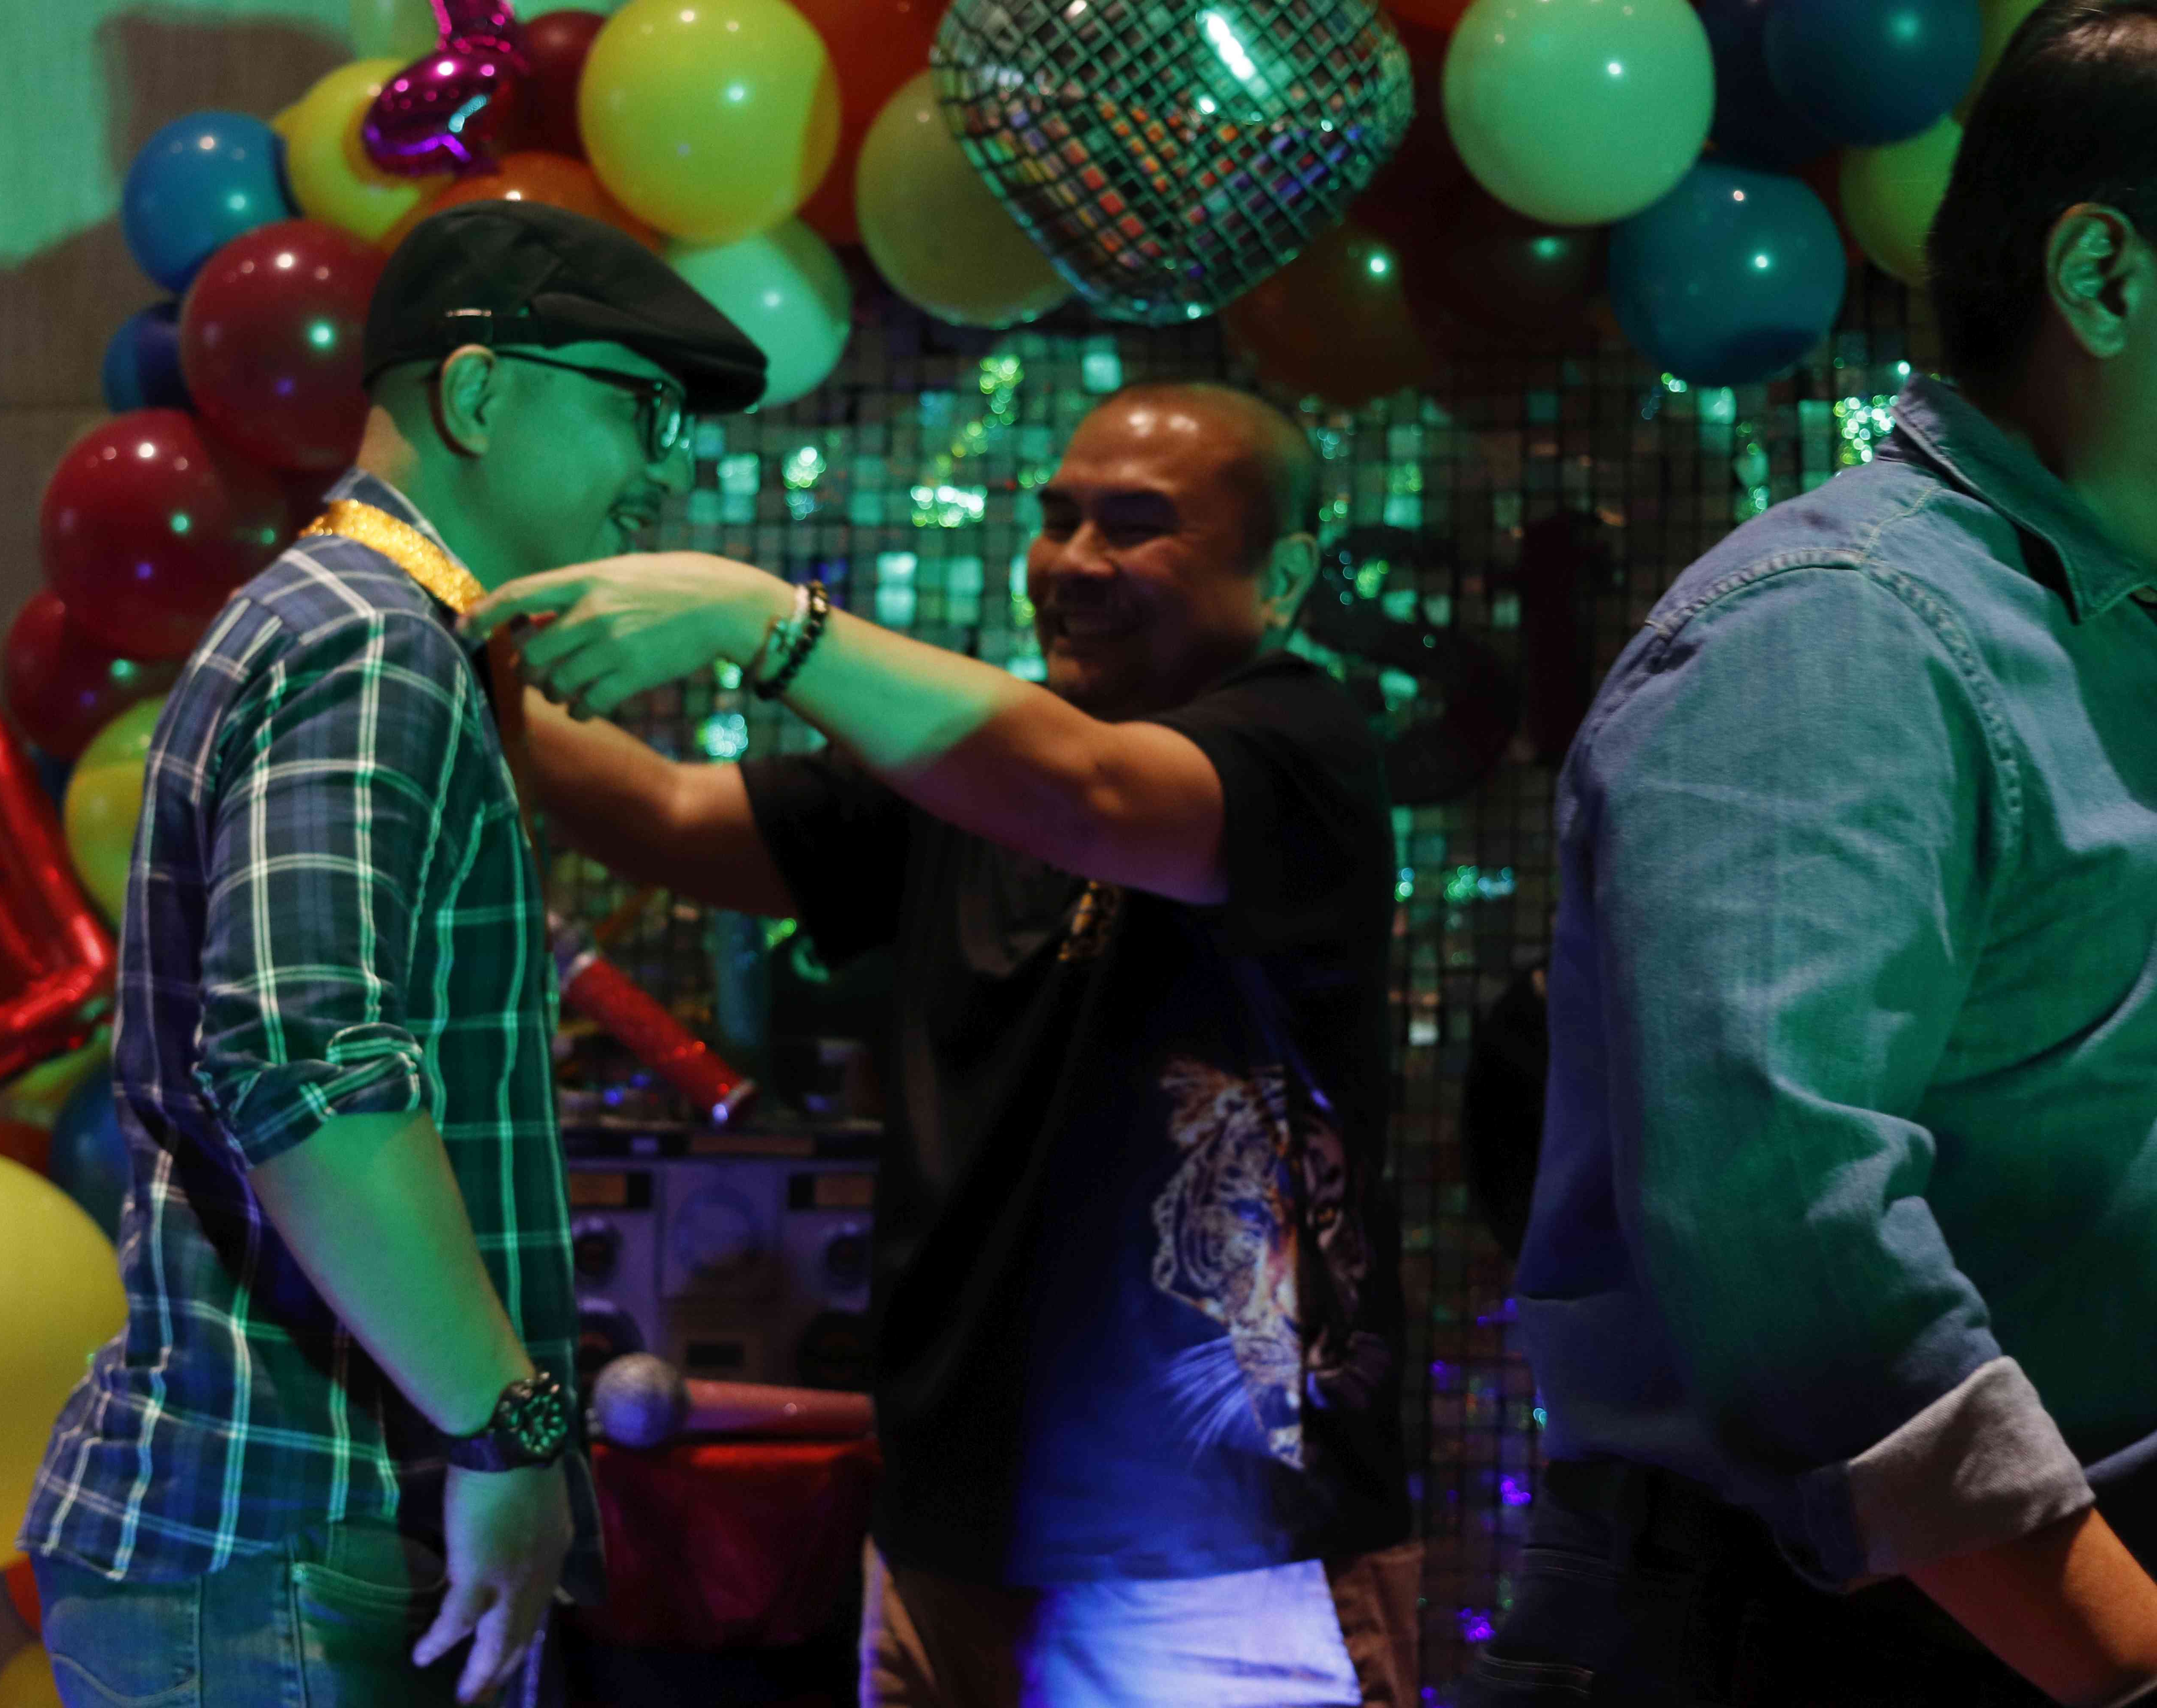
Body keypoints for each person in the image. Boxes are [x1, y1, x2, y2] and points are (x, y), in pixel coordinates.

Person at [463, 380, 1421, 1706]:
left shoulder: (1300, 743)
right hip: (944, 1528)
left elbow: (1091, 795)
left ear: (1289, 574)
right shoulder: (966, 770)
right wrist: (467, 640)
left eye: (1136, 524)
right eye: (1059, 518)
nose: (1074, 561)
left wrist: (758, 618)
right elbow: (671, 814)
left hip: (1210, 1548)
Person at [1469, 5, 2157, 1703]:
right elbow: (1792, 1231)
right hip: (1834, 1633)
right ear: (2107, 282)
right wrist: (2123, 1655)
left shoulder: (2119, 624)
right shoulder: (1841, 631)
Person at [19, 202, 768, 1708]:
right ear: (478, 394)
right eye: (641, 409)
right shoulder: (373, 638)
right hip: (286, 1536)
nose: (670, 469)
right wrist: (511, 1431)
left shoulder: (356, 621)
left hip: (268, 1538)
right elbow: (307, 1071)